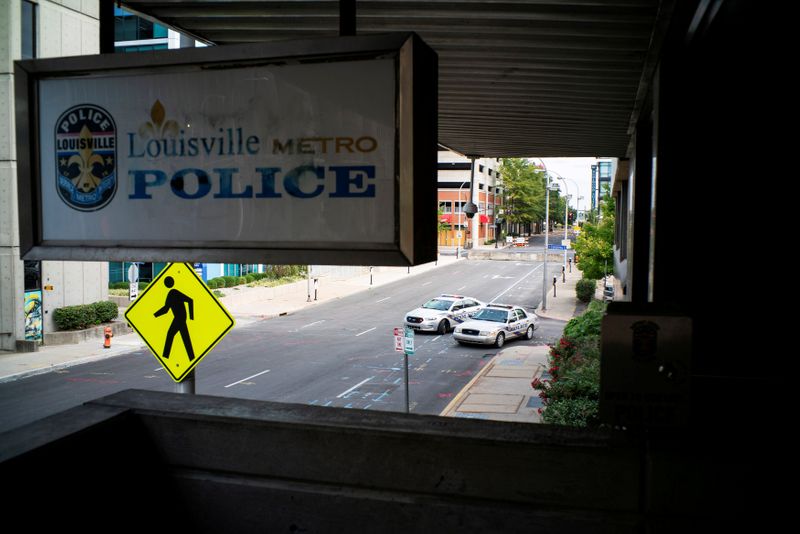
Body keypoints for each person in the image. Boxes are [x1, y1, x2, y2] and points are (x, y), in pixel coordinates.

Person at [153, 276, 195, 361]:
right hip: (180, 318)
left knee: (170, 335)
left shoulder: (174, 292)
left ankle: (166, 356)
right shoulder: (171, 293)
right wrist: (154, 315)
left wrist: (191, 317)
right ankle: (191, 357)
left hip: (180, 318)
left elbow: (190, 300)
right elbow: (166, 309)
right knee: (185, 338)